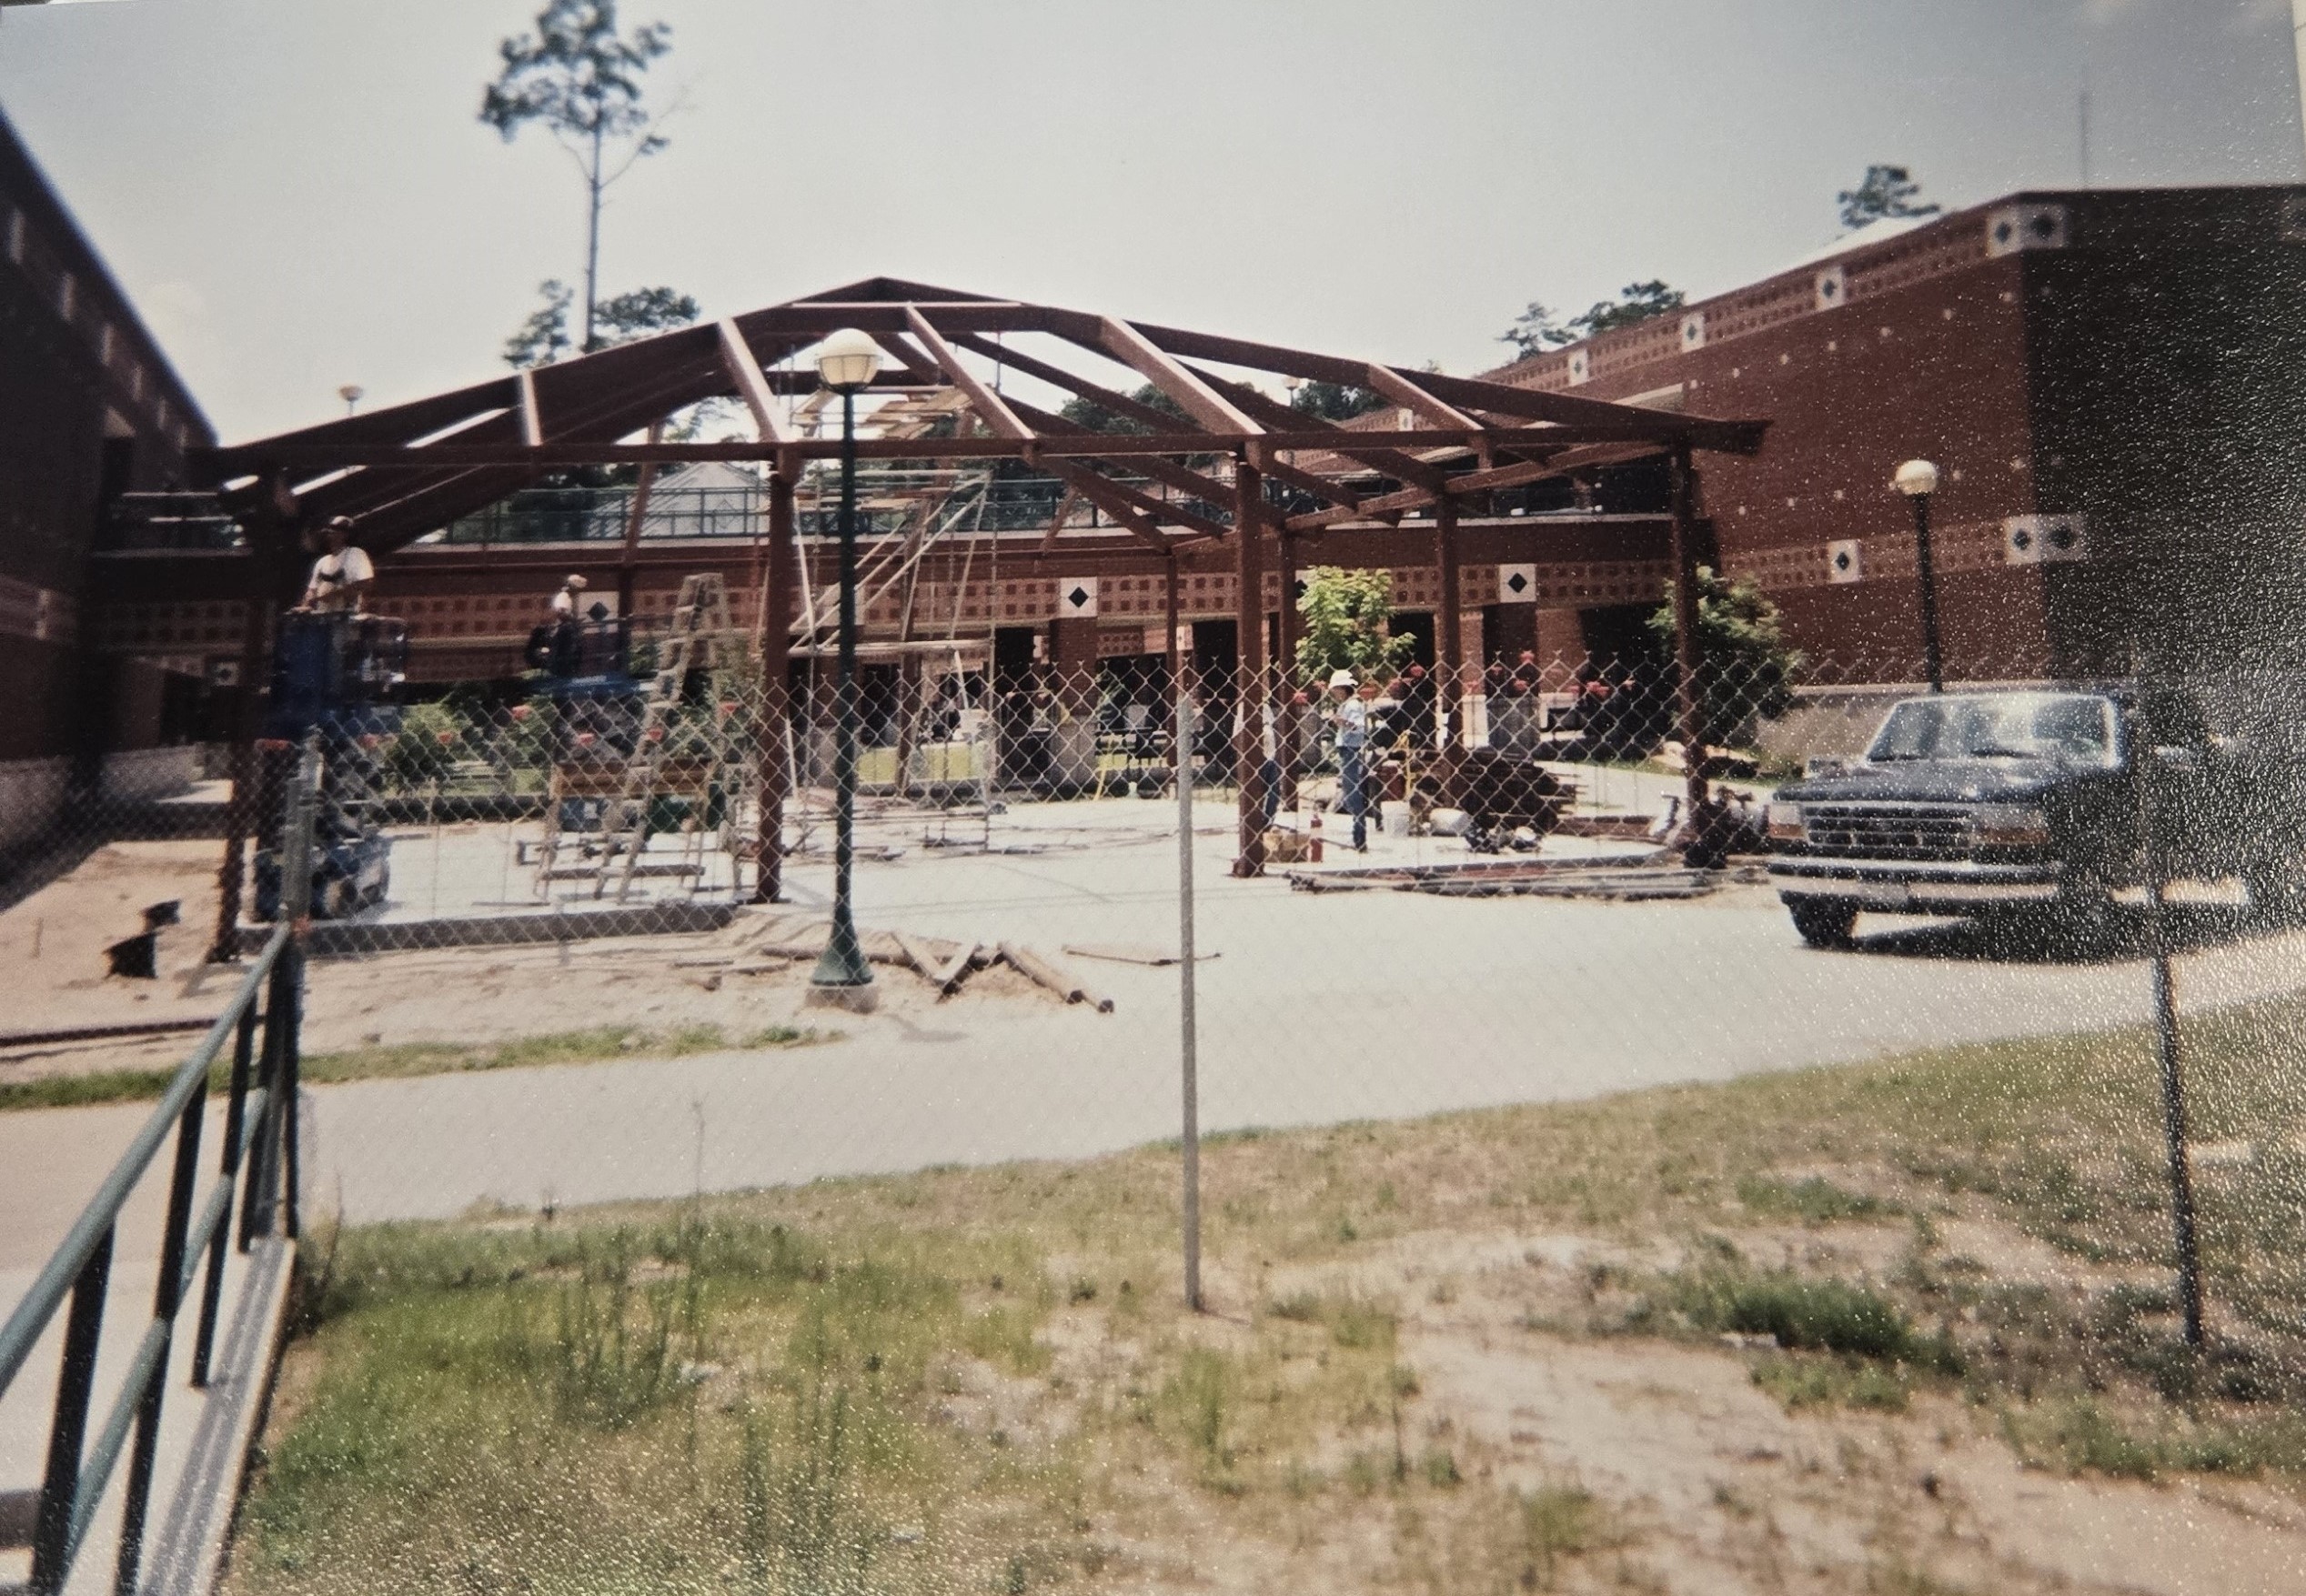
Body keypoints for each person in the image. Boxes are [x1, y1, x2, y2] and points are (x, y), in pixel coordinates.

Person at [1328, 668, 1378, 849]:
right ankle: (1357, 836)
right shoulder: (1348, 704)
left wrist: (1342, 722)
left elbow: (1358, 727)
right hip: (1347, 750)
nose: (1334, 693)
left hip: (1350, 750)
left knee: (1352, 793)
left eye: (1335, 689)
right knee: (1350, 792)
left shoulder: (1352, 705)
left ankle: (1359, 836)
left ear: (1342, 688)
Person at [299, 516, 373, 613]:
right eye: (329, 529)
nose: (330, 533)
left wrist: (334, 595)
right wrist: (304, 605)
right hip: (323, 617)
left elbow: (365, 583)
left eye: (335, 529)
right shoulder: (322, 562)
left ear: (346, 534)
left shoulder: (355, 554)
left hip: (347, 617)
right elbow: (312, 590)